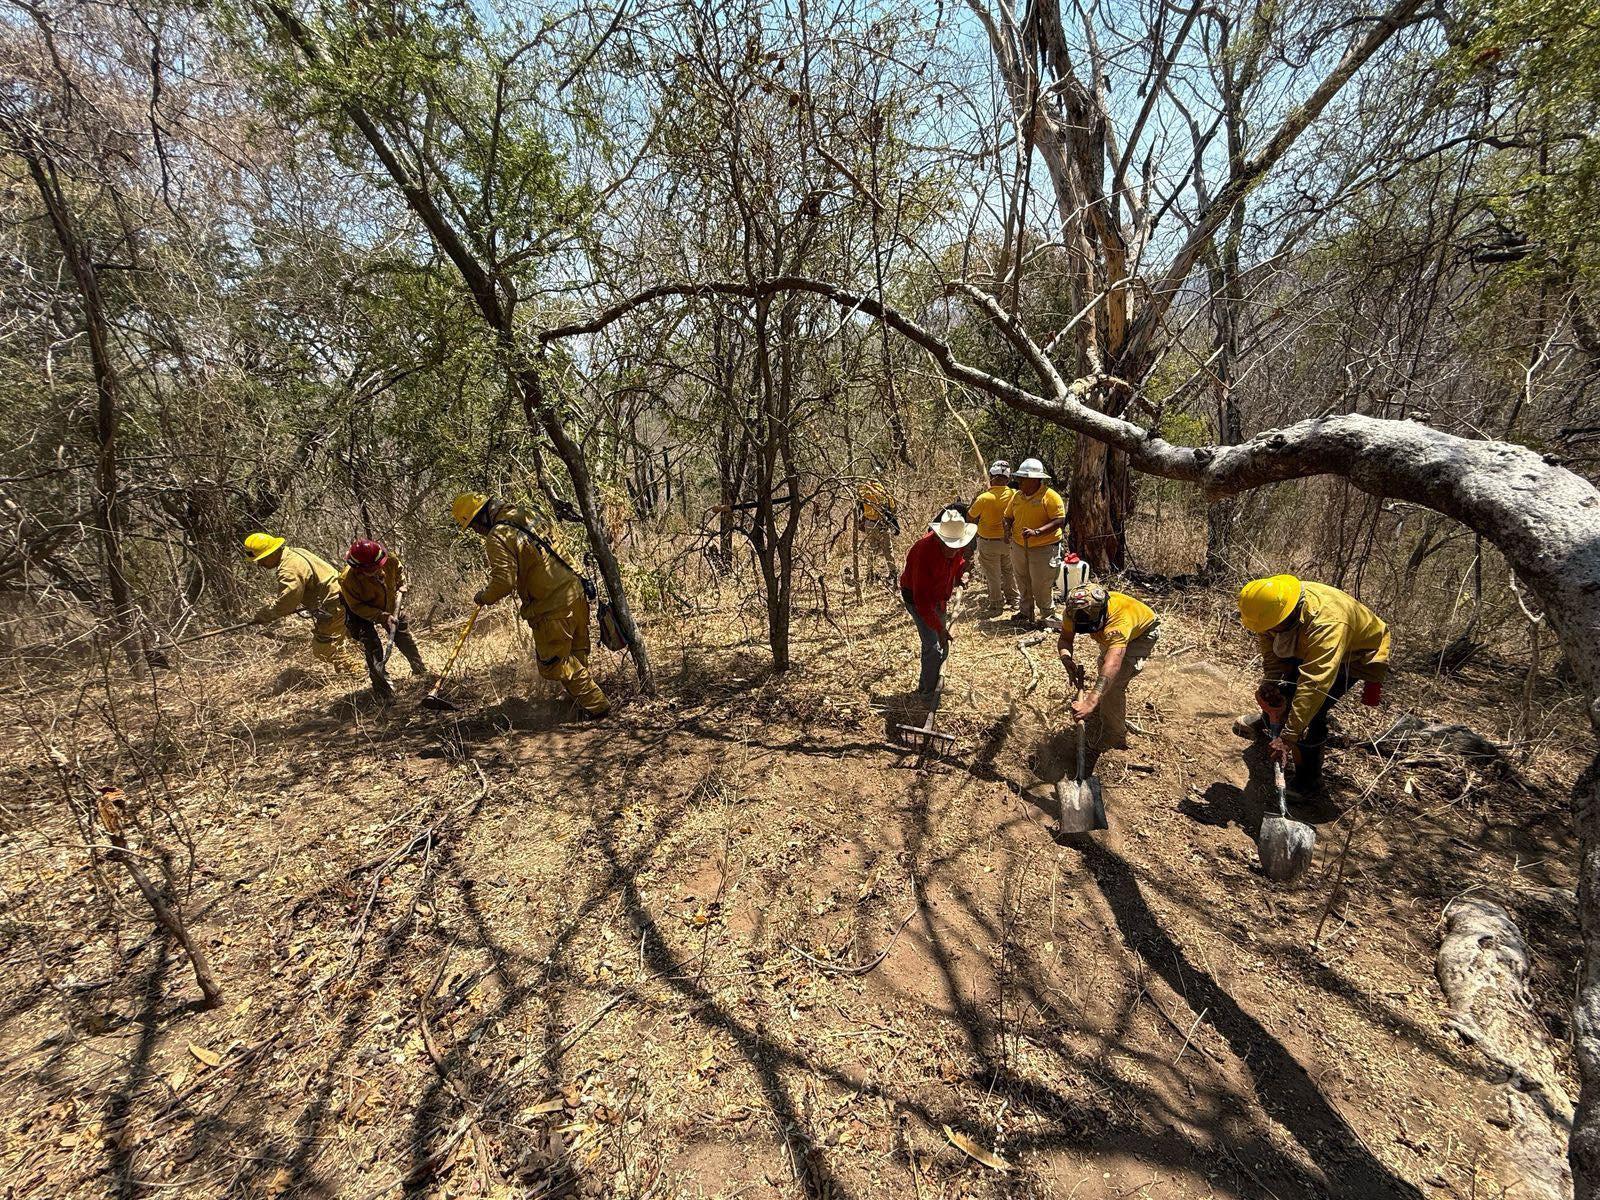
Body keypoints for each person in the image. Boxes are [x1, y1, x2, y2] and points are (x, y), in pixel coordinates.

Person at [451, 492, 610, 719]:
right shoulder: (527, 513)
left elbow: (503, 583)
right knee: (576, 653)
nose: (477, 532)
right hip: (576, 591)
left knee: (554, 664)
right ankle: (578, 702)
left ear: (481, 517)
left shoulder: (498, 536)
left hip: (552, 606)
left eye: (474, 526)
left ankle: (597, 705)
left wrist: (484, 597)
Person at [1234, 574, 1390, 794]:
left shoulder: (1327, 624)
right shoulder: (1273, 606)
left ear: (1286, 615)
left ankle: (1309, 781)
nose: (1267, 631)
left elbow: (1314, 684)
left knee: (1313, 713)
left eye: (1272, 627)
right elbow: (1269, 642)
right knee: (1284, 690)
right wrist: (1270, 681)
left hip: (1353, 655)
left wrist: (1288, 738)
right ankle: (1270, 723)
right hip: (1304, 637)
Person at [1058, 585, 1159, 749]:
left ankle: (1114, 737)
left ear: (1102, 614)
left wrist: (1090, 701)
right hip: (1110, 633)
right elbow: (1065, 639)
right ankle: (1103, 707)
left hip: (1142, 633)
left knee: (1113, 683)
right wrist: (1066, 658)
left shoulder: (1118, 623)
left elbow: (1113, 664)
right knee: (1105, 678)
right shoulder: (1072, 612)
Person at [899, 508, 976, 697]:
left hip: (939, 596)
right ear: (940, 539)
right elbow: (922, 601)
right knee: (933, 645)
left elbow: (956, 563)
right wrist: (940, 628)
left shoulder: (957, 545)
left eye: (956, 546)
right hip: (917, 599)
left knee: (940, 643)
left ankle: (932, 682)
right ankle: (927, 692)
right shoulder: (922, 552)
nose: (953, 550)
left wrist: (961, 575)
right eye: (949, 546)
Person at [242, 532, 351, 666]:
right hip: (345, 596)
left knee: (324, 649)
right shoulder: (296, 552)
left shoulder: (289, 569)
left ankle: (359, 673)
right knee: (353, 637)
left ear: (273, 553)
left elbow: (287, 602)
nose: (260, 564)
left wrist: (264, 615)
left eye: (262, 559)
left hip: (335, 605)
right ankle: (371, 667)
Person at [340, 538, 427, 703]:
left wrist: (402, 585)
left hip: (388, 601)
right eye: (372, 570)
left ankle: (420, 670)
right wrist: (381, 616)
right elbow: (357, 607)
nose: (378, 571)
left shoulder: (390, 560)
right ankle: (382, 692)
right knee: (373, 646)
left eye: (378, 566)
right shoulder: (348, 580)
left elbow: (399, 572)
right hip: (359, 610)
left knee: (402, 634)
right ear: (358, 569)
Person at [1004, 458, 1066, 625]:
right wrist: (1007, 530)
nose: (1019, 481)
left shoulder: (1050, 496)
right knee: (1022, 579)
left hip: (1044, 548)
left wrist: (1037, 532)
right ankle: (1025, 612)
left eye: (1023, 478)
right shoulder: (1017, 496)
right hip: (1019, 545)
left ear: (1034, 479)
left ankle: (1047, 615)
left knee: (1041, 584)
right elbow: (1008, 516)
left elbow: (1059, 520)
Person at [968, 461, 1018, 614]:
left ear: (991, 477)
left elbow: (970, 517)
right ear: (1007, 479)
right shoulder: (1014, 495)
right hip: (1008, 541)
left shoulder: (984, 498)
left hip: (988, 543)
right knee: (1009, 571)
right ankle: (1014, 599)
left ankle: (996, 604)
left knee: (993, 574)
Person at [856, 476, 900, 589]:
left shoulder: (863, 492)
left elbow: (858, 508)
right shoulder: (883, 492)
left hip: (869, 524)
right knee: (888, 550)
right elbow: (893, 509)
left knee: (872, 549)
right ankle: (893, 573)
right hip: (882, 525)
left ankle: (869, 573)